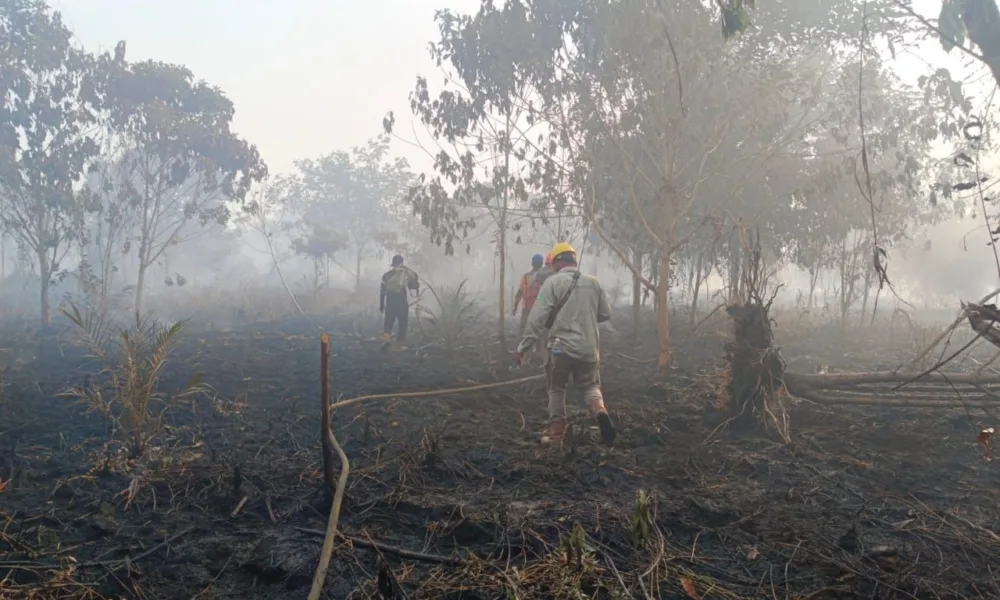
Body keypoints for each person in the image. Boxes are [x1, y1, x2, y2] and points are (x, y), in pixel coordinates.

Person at [515, 242, 614, 447]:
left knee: (556, 389)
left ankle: (555, 436)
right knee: (591, 386)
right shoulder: (594, 283)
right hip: (588, 348)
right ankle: (600, 410)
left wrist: (523, 347)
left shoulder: (552, 283)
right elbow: (605, 314)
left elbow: (537, 317)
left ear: (557, 263)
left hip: (560, 348)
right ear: (573, 261)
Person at [380, 254, 419, 347]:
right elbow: (414, 283)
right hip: (401, 300)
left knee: (388, 323)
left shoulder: (386, 275)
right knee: (403, 323)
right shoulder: (406, 273)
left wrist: (381, 305)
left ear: (393, 264)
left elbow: (382, 291)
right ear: (401, 263)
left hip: (390, 301)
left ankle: (387, 340)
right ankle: (399, 345)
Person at [512, 253, 546, 338]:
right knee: (540, 329)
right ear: (542, 263)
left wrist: (515, 307)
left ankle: (521, 343)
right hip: (540, 308)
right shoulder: (546, 277)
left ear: (532, 263)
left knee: (523, 328)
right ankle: (538, 345)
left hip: (526, 308)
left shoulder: (526, 276)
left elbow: (519, 293)